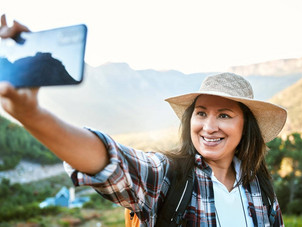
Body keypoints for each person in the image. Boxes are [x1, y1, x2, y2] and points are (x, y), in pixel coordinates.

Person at [0, 16, 286, 227]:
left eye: (224, 115)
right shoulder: (167, 176)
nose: (208, 126)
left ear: (245, 127)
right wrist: (31, 114)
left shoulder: (260, 189)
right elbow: (110, 161)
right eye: (201, 113)